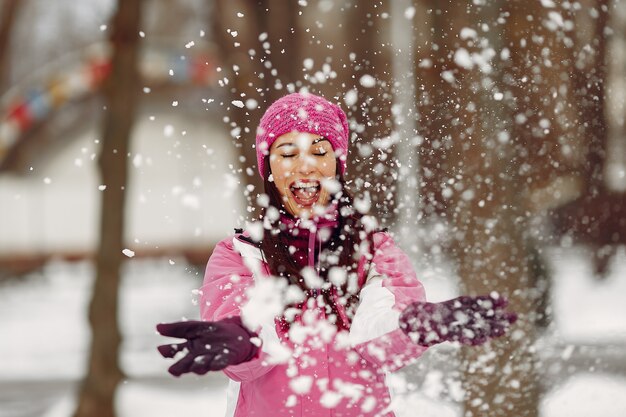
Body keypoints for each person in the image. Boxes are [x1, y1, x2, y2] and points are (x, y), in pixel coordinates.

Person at [156, 92, 516, 417]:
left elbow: (379, 340)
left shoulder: (374, 250)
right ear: (269, 169)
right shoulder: (240, 254)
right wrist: (241, 340)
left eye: (318, 151)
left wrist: (423, 324)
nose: (305, 166)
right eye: (288, 153)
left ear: (338, 164)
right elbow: (250, 347)